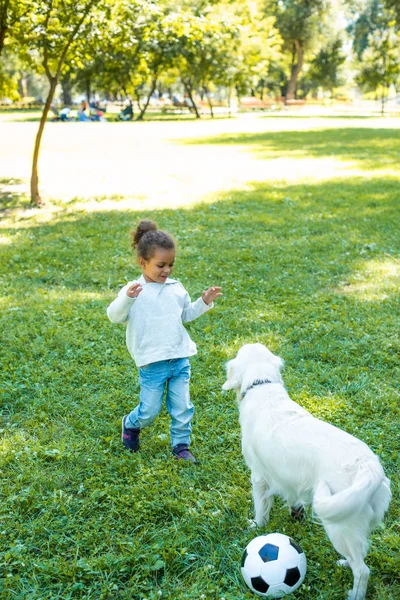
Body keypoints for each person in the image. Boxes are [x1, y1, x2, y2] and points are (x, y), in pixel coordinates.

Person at [107, 220, 222, 463]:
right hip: (152, 363)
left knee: (182, 408)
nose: (167, 270)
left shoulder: (176, 288)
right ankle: (131, 423)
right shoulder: (133, 290)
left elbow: (186, 315)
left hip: (179, 358)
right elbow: (114, 317)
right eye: (161, 265)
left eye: (171, 264)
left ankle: (181, 446)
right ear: (143, 262)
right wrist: (127, 299)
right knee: (149, 411)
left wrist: (204, 302)